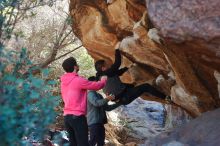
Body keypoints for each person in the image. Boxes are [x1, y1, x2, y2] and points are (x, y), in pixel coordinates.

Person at [95, 42, 171, 105]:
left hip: (121, 97)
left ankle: (136, 87)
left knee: (133, 85)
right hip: (124, 96)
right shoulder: (105, 74)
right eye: (107, 64)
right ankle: (166, 98)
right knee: (146, 87)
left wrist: (128, 67)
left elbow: (118, 73)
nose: (109, 65)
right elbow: (117, 64)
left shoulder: (103, 77)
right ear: (103, 68)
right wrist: (117, 49)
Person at [60, 57, 107, 146]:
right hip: (77, 117)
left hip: (66, 117)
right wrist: (104, 80)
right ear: (75, 67)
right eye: (77, 64)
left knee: (73, 144)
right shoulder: (78, 80)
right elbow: (96, 86)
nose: (78, 65)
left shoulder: (63, 83)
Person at [87, 76, 121, 146]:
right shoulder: (90, 94)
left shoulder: (99, 95)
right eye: (96, 82)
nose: (98, 84)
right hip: (93, 122)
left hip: (100, 123)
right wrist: (108, 98)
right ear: (92, 83)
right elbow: (96, 103)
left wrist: (119, 103)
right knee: (92, 141)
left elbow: (107, 108)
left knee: (101, 142)